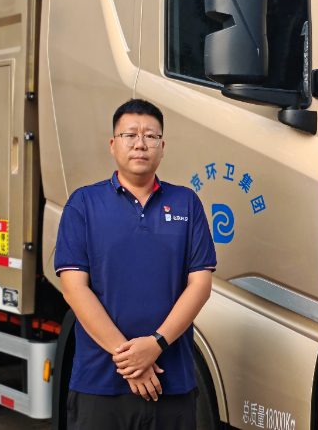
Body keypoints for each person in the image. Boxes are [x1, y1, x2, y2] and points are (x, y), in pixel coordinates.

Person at [55, 99, 217, 429]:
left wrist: (156, 344)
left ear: (162, 147)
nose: (140, 144)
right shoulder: (83, 204)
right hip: (99, 383)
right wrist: (131, 360)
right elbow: (74, 289)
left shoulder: (186, 202)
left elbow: (200, 285)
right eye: (130, 135)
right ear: (113, 145)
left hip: (172, 382)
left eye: (150, 136)